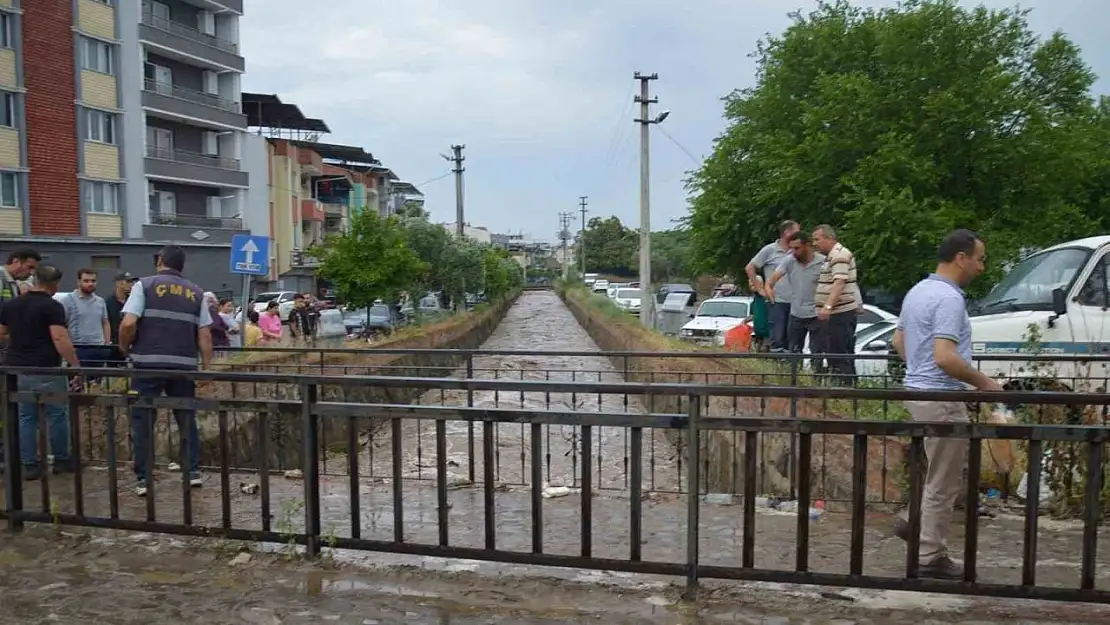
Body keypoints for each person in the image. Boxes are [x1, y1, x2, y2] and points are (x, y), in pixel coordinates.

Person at [891, 229, 1001, 580]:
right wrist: (985, 384)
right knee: (945, 481)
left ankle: (912, 520)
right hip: (941, 398)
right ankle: (930, 556)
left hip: (918, 393)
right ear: (961, 257)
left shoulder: (918, 291)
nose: (982, 267)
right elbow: (945, 357)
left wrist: (917, 372)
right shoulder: (950, 299)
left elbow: (898, 340)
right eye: (980, 259)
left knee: (936, 471)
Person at [118, 245, 213, 496]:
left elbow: (128, 322)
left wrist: (124, 348)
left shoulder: (144, 285)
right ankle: (192, 472)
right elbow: (204, 334)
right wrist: (206, 369)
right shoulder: (197, 292)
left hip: (147, 364)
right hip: (183, 366)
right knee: (185, 418)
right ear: (182, 265)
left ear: (160, 261)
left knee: (143, 421)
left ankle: (143, 479)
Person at [0, 264, 80, 480]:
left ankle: (30, 465)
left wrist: (21, 338)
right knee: (57, 415)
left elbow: (2, 333)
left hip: (16, 368)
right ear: (54, 284)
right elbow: (59, 338)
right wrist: (75, 365)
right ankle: (61, 461)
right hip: (45, 368)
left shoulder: (12, 305)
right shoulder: (52, 307)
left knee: (26, 417)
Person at [812, 225, 859, 384]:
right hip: (835, 314)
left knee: (840, 354)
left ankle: (845, 390)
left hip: (840, 313)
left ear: (829, 238)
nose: (814, 243)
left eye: (817, 239)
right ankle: (840, 387)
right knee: (833, 353)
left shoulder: (839, 255)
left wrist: (828, 307)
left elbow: (839, 282)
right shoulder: (831, 256)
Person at [766, 231, 826, 355]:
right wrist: (769, 290)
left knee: (816, 351)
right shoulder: (789, 260)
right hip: (796, 313)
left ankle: (817, 374)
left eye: (797, 248)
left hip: (816, 313)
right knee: (794, 350)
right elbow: (771, 281)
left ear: (807, 245)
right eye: (791, 248)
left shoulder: (823, 262)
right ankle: (794, 373)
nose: (794, 252)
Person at [746, 221, 800, 353]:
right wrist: (760, 289)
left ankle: (791, 369)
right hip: (777, 301)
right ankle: (778, 368)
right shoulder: (770, 250)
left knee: (793, 338)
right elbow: (750, 267)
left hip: (796, 301)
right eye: (797, 231)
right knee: (777, 336)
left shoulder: (797, 251)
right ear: (787, 232)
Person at [54, 268, 111, 375]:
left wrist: (107, 343)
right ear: (78, 282)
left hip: (98, 348)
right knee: (78, 384)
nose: (90, 284)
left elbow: (105, 322)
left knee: (96, 384)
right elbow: (62, 325)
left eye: (93, 281)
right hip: (78, 348)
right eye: (86, 281)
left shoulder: (100, 301)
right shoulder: (67, 300)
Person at [105, 271, 137, 366]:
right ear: (118, 283)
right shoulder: (108, 303)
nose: (131, 284)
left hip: (131, 347)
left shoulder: (133, 301)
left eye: (131, 282)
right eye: (128, 282)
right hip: (114, 347)